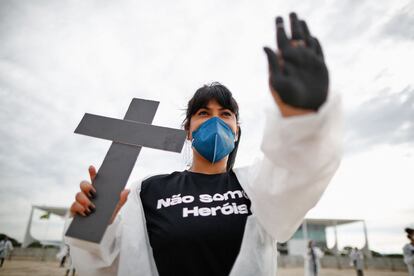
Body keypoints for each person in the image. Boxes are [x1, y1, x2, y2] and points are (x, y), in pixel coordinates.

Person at [66, 12, 342, 276]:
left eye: (225, 114)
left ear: (236, 131)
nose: (215, 122)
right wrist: (99, 222)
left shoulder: (256, 187)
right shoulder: (147, 191)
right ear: (187, 131)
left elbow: (299, 173)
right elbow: (108, 265)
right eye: (203, 113)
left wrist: (301, 119)